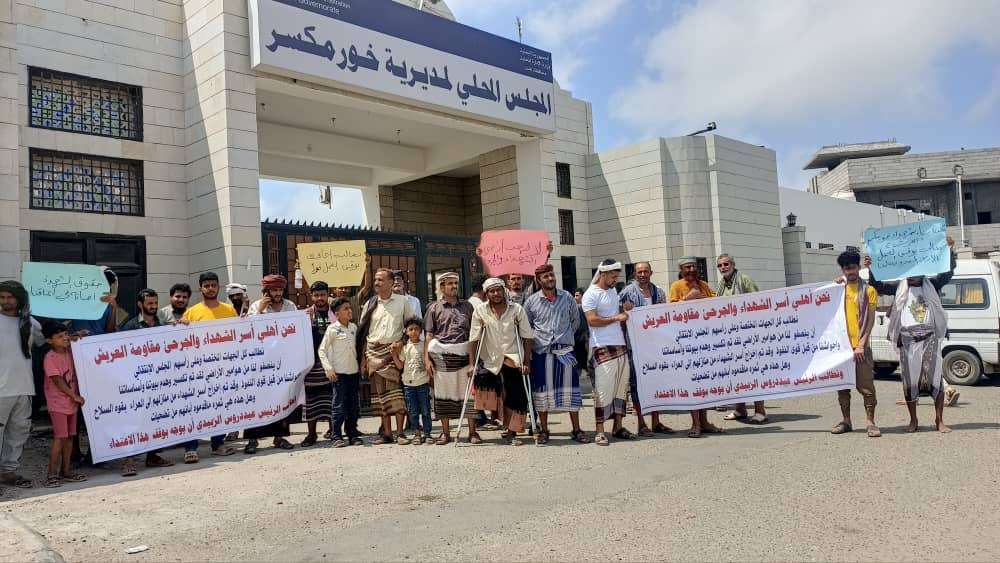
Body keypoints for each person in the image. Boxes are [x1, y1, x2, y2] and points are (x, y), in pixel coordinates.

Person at [867, 238, 957, 432]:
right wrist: (872, 267)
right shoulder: (899, 287)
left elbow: (948, 273)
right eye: (909, 273)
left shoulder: (932, 284)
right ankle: (913, 420)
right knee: (910, 382)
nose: (912, 276)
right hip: (907, 342)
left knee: (936, 380)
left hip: (930, 340)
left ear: (923, 272)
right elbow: (878, 286)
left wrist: (950, 250)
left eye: (916, 272)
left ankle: (939, 421)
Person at [525, 264, 589, 444]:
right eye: (545, 276)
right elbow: (527, 327)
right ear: (539, 280)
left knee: (571, 390)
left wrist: (564, 337)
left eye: (551, 275)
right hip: (541, 352)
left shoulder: (567, 297)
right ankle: (545, 430)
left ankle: (576, 429)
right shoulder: (531, 302)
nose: (550, 278)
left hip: (565, 351)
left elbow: (575, 321)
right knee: (542, 392)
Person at [178, 272, 237, 462]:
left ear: (219, 287)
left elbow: (238, 336)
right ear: (200, 288)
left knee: (220, 406)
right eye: (207, 285)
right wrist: (181, 326)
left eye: (213, 285)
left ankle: (218, 444)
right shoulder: (192, 312)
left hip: (222, 368)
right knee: (194, 408)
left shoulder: (229, 310)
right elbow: (182, 339)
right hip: (198, 370)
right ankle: (191, 448)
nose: (210, 288)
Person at [469, 278, 534, 445]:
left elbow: (527, 337)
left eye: (498, 290)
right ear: (487, 294)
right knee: (483, 390)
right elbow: (474, 339)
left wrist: (526, 362)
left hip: (513, 356)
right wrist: (472, 364)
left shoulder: (516, 309)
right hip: (489, 359)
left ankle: (512, 432)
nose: (496, 293)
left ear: (504, 290)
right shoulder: (480, 311)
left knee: (515, 394)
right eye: (492, 291)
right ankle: (485, 426)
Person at [117, 289, 175, 475]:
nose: (154, 306)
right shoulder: (131, 326)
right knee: (134, 421)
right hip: (137, 382)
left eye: (155, 303)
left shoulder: (161, 325)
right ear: (140, 304)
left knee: (156, 420)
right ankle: (129, 459)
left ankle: (152, 456)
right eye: (150, 303)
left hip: (157, 381)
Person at [358, 268, 417, 445]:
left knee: (395, 394)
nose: (376, 283)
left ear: (391, 283)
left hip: (393, 353)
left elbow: (411, 326)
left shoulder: (402, 302)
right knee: (379, 396)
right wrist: (363, 360)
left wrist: (402, 342)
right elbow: (364, 333)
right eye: (376, 280)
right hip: (373, 354)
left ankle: (400, 433)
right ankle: (387, 434)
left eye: (381, 280)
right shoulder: (370, 304)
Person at [669, 256, 724, 438]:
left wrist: (704, 298)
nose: (691, 270)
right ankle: (695, 424)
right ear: (682, 270)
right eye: (687, 267)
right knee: (692, 383)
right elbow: (669, 311)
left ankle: (705, 421)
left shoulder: (704, 285)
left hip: (705, 341)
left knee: (705, 383)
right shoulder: (677, 286)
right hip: (687, 342)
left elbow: (717, 303)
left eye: (693, 266)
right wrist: (687, 299)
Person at [243, 274, 297, 453]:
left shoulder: (290, 306)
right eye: (274, 290)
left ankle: (279, 438)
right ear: (266, 291)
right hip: (261, 362)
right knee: (256, 400)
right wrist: (260, 310)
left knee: (281, 399)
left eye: (280, 290)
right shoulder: (256, 307)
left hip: (282, 361)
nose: (278, 293)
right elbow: (248, 330)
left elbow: (296, 328)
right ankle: (252, 440)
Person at [618, 261, 673, 437]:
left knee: (656, 383)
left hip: (654, 345)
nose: (642, 274)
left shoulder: (659, 292)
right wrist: (624, 311)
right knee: (637, 384)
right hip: (635, 346)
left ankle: (656, 422)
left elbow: (664, 315)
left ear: (651, 272)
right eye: (639, 272)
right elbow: (618, 316)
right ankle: (641, 423)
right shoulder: (626, 292)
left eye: (645, 271)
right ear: (635, 274)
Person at [582, 260, 632, 446]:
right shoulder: (590, 294)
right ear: (603, 274)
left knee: (621, 388)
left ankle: (618, 427)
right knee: (603, 390)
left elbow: (616, 311)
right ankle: (600, 431)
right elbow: (592, 320)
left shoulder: (612, 291)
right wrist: (616, 317)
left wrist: (624, 309)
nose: (615, 279)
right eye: (613, 276)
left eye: (616, 276)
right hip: (602, 346)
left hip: (620, 345)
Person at [831, 250, 880, 438]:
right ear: (842, 270)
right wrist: (833, 286)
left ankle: (870, 422)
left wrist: (861, 344)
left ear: (858, 267)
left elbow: (870, 321)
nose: (849, 272)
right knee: (842, 387)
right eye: (846, 269)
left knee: (867, 388)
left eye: (852, 268)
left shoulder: (869, 291)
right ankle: (846, 421)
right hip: (841, 349)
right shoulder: (837, 290)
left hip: (860, 348)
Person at [424, 272, 476, 445]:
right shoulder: (434, 308)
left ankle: (473, 432)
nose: (454, 286)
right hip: (442, 358)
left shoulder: (468, 306)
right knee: (442, 395)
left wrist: (472, 362)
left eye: (456, 283)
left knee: (468, 395)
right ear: (442, 286)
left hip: (464, 356)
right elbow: (429, 335)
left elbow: (473, 336)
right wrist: (427, 360)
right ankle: (445, 434)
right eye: (450, 283)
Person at [715, 254, 768, 424]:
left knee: (754, 373)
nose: (723, 267)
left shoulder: (744, 280)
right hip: (731, 336)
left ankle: (760, 411)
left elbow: (758, 302)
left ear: (733, 264)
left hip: (748, 334)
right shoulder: (722, 284)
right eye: (720, 265)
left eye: (726, 264)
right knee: (737, 374)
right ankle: (740, 409)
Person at [0, 280, 41, 492]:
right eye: (2, 297)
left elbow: (48, 341)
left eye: (10, 297)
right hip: (1, 389)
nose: (6, 301)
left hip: (24, 387)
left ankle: (9, 471)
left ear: (19, 299)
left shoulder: (31, 323)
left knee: (18, 433)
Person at [40, 322, 87, 488]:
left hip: (71, 403)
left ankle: (66, 472)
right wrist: (74, 396)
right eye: (60, 336)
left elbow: (74, 339)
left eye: (66, 334)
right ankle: (51, 474)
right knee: (60, 438)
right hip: (58, 403)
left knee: (70, 437)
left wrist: (77, 336)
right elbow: (58, 381)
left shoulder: (69, 352)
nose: (65, 338)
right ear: (49, 340)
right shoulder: (50, 358)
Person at [319, 297, 363, 448]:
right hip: (339, 374)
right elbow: (322, 350)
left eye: (350, 308)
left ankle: (352, 434)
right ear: (337, 314)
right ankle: (336, 435)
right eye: (346, 309)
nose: (350, 311)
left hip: (353, 372)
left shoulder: (354, 327)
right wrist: (328, 368)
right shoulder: (332, 329)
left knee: (353, 405)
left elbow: (358, 349)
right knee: (339, 405)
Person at [301, 281, 335, 446]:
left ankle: (334, 431)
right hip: (312, 364)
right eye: (316, 295)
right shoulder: (305, 315)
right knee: (311, 400)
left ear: (328, 295)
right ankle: (311, 434)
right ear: (311, 296)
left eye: (322, 295)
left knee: (332, 398)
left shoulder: (335, 313)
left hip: (332, 362)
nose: (320, 298)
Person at [394, 319, 433, 445]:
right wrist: (394, 355)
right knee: (413, 411)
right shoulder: (405, 347)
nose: (414, 331)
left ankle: (427, 434)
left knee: (426, 410)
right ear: (406, 332)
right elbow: (400, 366)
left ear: (421, 331)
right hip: (409, 385)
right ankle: (417, 434)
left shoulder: (424, 346)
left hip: (423, 383)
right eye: (411, 329)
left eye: (416, 329)